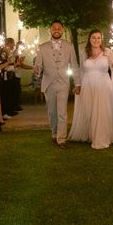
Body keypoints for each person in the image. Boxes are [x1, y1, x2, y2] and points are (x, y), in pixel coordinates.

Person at [68, 29, 113, 149]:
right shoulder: (84, 53)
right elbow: (81, 70)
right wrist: (78, 85)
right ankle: (90, 134)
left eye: (98, 38)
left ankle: (101, 137)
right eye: (93, 38)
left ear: (101, 39)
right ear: (89, 39)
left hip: (103, 85)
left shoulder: (107, 52)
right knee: (89, 110)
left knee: (101, 111)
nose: (96, 40)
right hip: (88, 84)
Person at [34, 20, 80, 148]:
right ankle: (54, 134)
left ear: (63, 30)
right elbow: (38, 65)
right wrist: (37, 71)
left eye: (59, 28)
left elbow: (75, 65)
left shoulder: (69, 46)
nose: (56, 30)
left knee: (62, 112)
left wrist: (77, 83)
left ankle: (61, 139)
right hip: (49, 83)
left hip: (63, 83)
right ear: (50, 30)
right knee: (52, 112)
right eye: (54, 28)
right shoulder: (42, 47)